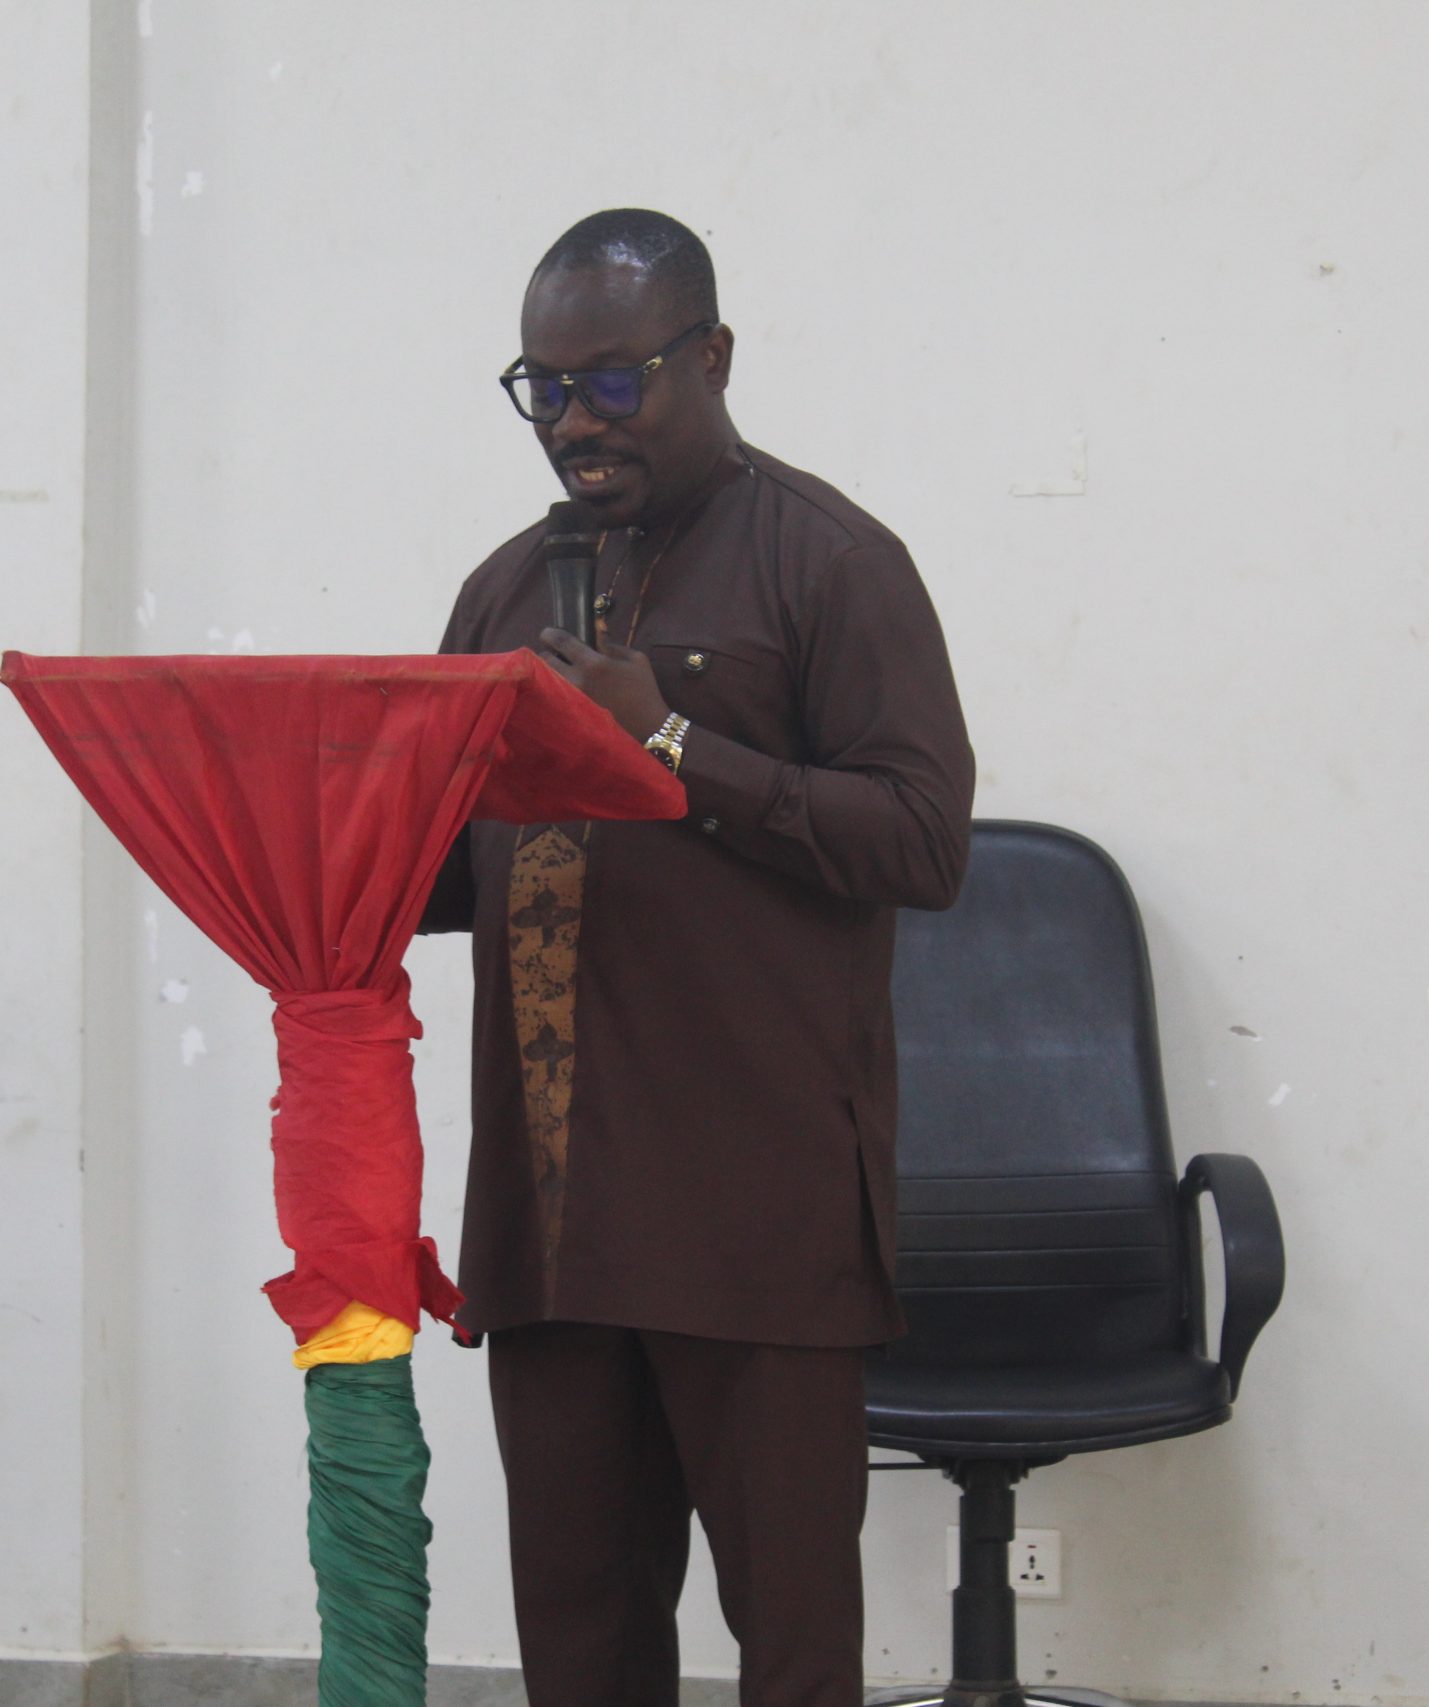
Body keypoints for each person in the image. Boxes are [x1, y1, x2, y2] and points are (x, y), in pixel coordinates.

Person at [422, 210, 974, 1707]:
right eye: (545, 390)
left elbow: (924, 841)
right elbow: (462, 866)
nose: (574, 425)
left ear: (713, 358)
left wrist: (665, 737)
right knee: (580, 1652)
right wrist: (313, 857)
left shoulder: (830, 563)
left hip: (753, 1211)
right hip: (548, 1217)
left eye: (613, 383)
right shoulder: (501, 592)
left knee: (790, 1649)